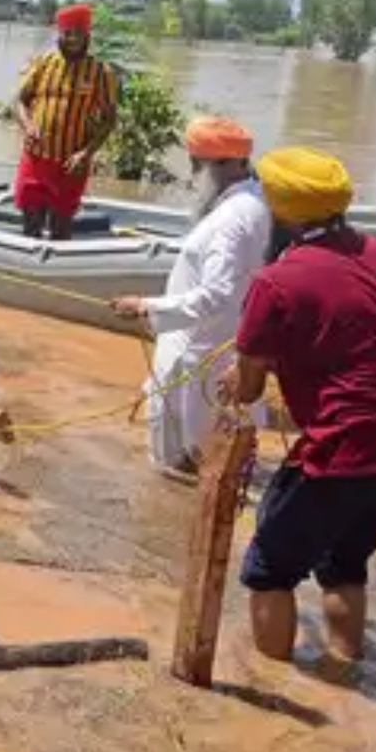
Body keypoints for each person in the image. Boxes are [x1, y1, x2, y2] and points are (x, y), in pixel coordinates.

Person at [221, 147, 376, 665]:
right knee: (344, 563)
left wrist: (246, 375)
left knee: (269, 570)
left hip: (342, 450)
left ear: (282, 214)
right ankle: (345, 674)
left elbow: (247, 389)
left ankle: (272, 686)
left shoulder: (275, 282)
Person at [109, 117, 272, 482]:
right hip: (224, 351)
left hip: (199, 358)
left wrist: (146, 307)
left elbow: (216, 294)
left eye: (197, 166)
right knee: (217, 465)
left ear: (223, 165)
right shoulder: (256, 202)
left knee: (181, 468)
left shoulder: (230, 221)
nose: (194, 175)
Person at [14, 4, 120, 240]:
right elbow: (20, 101)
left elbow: (110, 119)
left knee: (61, 228)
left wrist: (86, 153)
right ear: (59, 35)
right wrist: (28, 125)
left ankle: (56, 262)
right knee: (30, 225)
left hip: (71, 165)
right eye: (67, 33)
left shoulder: (101, 73)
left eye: (78, 34)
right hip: (35, 159)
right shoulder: (43, 63)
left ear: (87, 37)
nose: (72, 40)